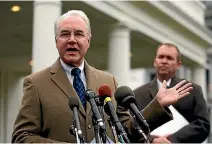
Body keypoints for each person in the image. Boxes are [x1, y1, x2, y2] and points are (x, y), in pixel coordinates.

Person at [12, 10, 193, 143]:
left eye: (79, 34)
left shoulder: (108, 82)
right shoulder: (36, 84)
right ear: (56, 41)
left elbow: (128, 130)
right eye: (65, 34)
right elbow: (22, 137)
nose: (72, 40)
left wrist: (158, 105)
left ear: (88, 41)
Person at [134, 43, 210, 143]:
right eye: (161, 57)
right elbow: (132, 128)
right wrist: (153, 140)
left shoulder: (192, 90)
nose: (164, 61)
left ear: (178, 64)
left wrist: (172, 140)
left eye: (169, 58)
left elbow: (203, 125)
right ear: (155, 62)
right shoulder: (138, 94)